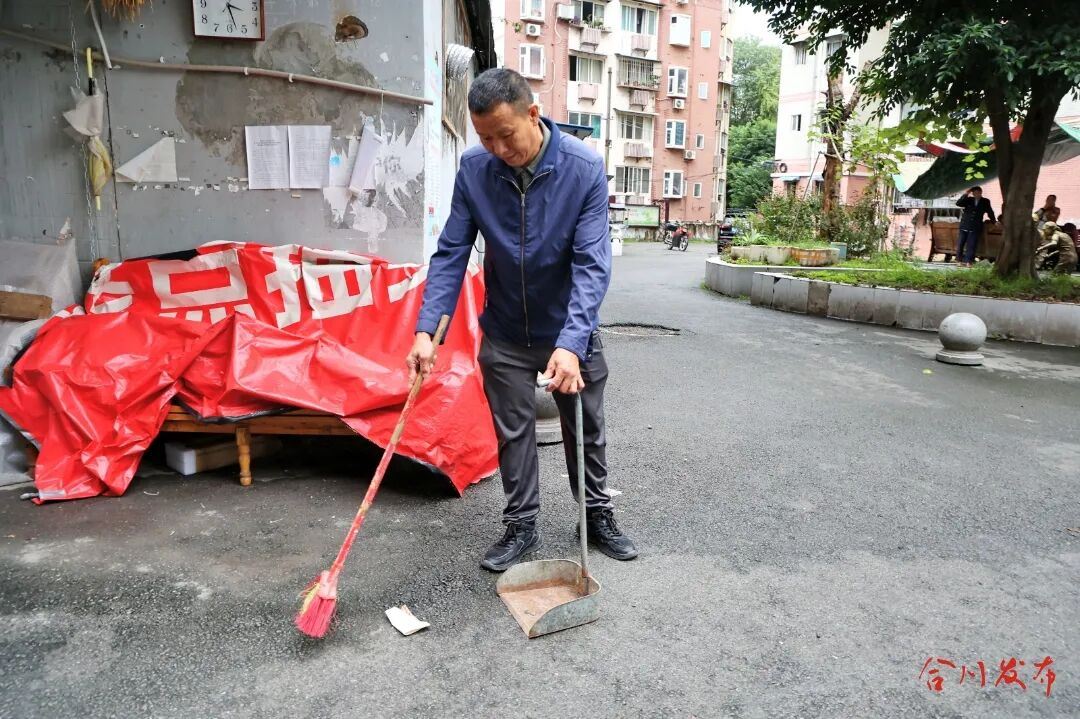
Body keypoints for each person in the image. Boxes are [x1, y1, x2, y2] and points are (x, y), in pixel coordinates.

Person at [407, 68, 638, 572]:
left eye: (505, 135)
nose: (497, 148)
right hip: (506, 330)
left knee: (586, 428)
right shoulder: (475, 170)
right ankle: (521, 523)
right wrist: (427, 330)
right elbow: (451, 253)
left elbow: (592, 264)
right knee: (514, 433)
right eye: (484, 138)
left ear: (533, 114)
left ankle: (595, 513)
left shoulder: (583, 168)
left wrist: (572, 343)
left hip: (567, 328)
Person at [955, 186, 996, 267]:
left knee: (971, 244)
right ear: (972, 193)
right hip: (964, 225)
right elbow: (958, 203)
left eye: (978, 193)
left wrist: (994, 221)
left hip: (975, 226)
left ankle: (968, 262)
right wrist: (966, 193)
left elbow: (990, 212)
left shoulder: (985, 201)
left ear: (981, 193)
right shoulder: (969, 200)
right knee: (960, 244)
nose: (976, 194)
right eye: (974, 193)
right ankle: (958, 260)